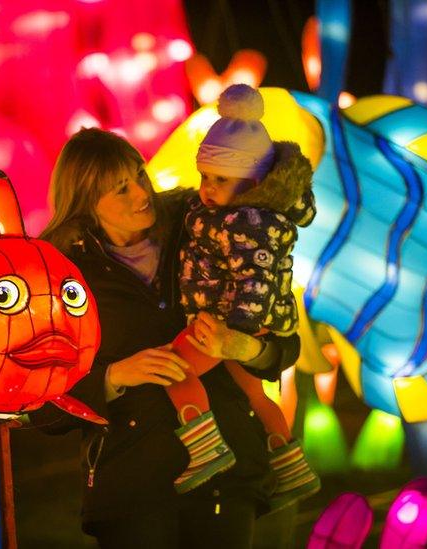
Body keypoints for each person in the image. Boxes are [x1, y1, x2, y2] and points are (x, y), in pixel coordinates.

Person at [31, 127, 301, 548]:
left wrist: (244, 347)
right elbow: (44, 406)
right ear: (86, 201)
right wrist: (115, 376)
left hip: (228, 479)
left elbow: (284, 345)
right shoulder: (63, 280)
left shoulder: (205, 231)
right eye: (121, 189)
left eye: (140, 174)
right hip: (134, 488)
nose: (141, 193)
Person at [170, 83, 320, 507]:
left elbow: (254, 278)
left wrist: (235, 332)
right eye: (204, 177)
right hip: (239, 322)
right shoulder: (242, 214)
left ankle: (204, 452)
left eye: (220, 179)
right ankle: (290, 466)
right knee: (256, 394)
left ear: (252, 181)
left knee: (177, 371)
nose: (206, 189)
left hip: (226, 321)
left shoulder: (245, 221)